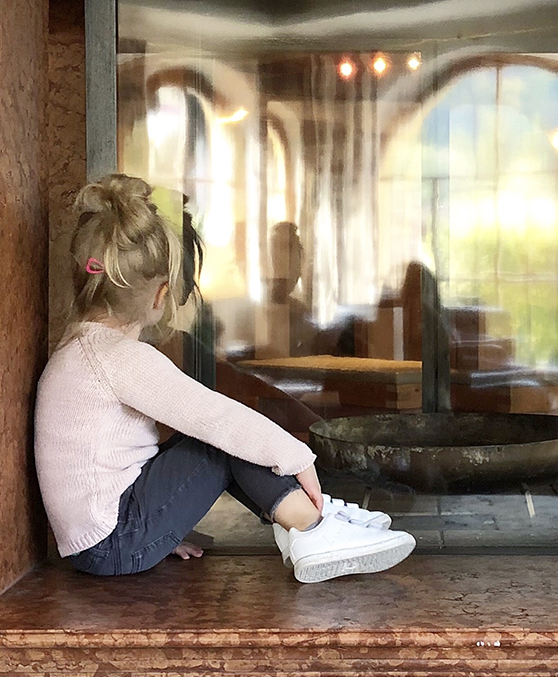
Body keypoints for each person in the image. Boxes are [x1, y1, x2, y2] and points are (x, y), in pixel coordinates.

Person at [34, 174, 414, 584]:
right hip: (114, 542)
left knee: (203, 439)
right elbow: (217, 419)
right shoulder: (120, 357)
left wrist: (165, 527)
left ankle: (303, 518)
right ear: (162, 294)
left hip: (98, 540)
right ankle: (312, 527)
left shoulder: (80, 349)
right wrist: (299, 458)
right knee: (218, 440)